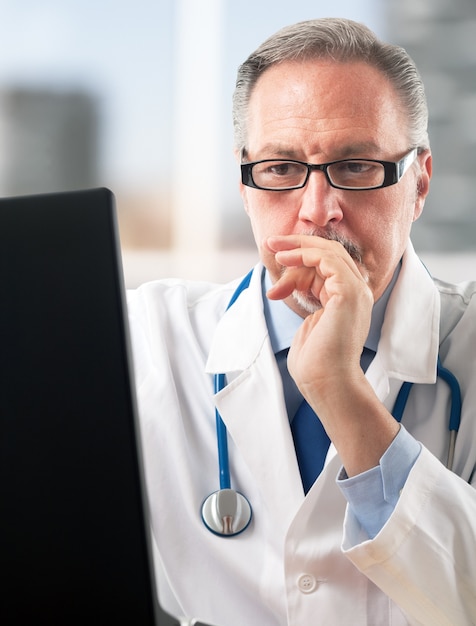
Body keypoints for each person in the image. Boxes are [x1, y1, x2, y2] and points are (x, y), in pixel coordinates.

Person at [127, 17, 476, 626]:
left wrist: (339, 392)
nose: (318, 212)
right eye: (282, 170)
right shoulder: (145, 339)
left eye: (358, 165)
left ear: (418, 183)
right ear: (245, 182)